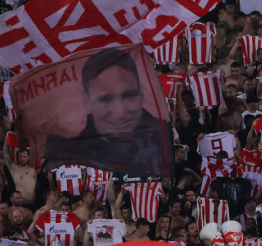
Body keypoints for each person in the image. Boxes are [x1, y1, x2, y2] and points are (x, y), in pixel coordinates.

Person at [43, 48, 171, 175]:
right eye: (106, 99)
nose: (120, 113)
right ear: (86, 101)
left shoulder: (163, 135)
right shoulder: (66, 149)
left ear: (141, 94)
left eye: (128, 96)